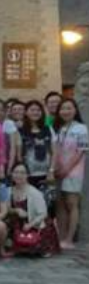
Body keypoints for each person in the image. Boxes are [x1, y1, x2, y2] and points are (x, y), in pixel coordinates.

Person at [54, 99, 88, 250]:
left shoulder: (81, 128)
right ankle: (60, 237)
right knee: (60, 203)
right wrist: (57, 168)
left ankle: (69, 239)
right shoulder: (59, 128)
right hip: (59, 170)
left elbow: (81, 151)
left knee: (72, 203)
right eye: (63, 108)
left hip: (74, 171)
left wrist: (67, 169)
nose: (65, 111)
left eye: (69, 108)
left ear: (75, 110)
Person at [8, 162, 59, 257]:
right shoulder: (8, 191)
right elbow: (5, 209)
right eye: (16, 172)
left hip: (35, 223)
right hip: (18, 224)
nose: (19, 175)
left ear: (27, 175)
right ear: (12, 174)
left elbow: (43, 214)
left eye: (22, 173)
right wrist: (15, 210)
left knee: (33, 246)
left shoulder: (34, 193)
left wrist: (30, 225)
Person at [19, 100, 56, 189]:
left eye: (38, 110)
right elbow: (19, 154)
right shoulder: (20, 131)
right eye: (32, 110)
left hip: (46, 174)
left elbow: (54, 152)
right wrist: (22, 173)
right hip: (27, 175)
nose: (35, 112)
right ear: (26, 112)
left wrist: (51, 171)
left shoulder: (48, 129)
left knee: (46, 197)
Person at [0, 98, 18, 175]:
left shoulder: (9, 124)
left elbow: (12, 148)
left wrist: (10, 167)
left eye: (1, 110)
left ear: (5, 112)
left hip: (5, 161)